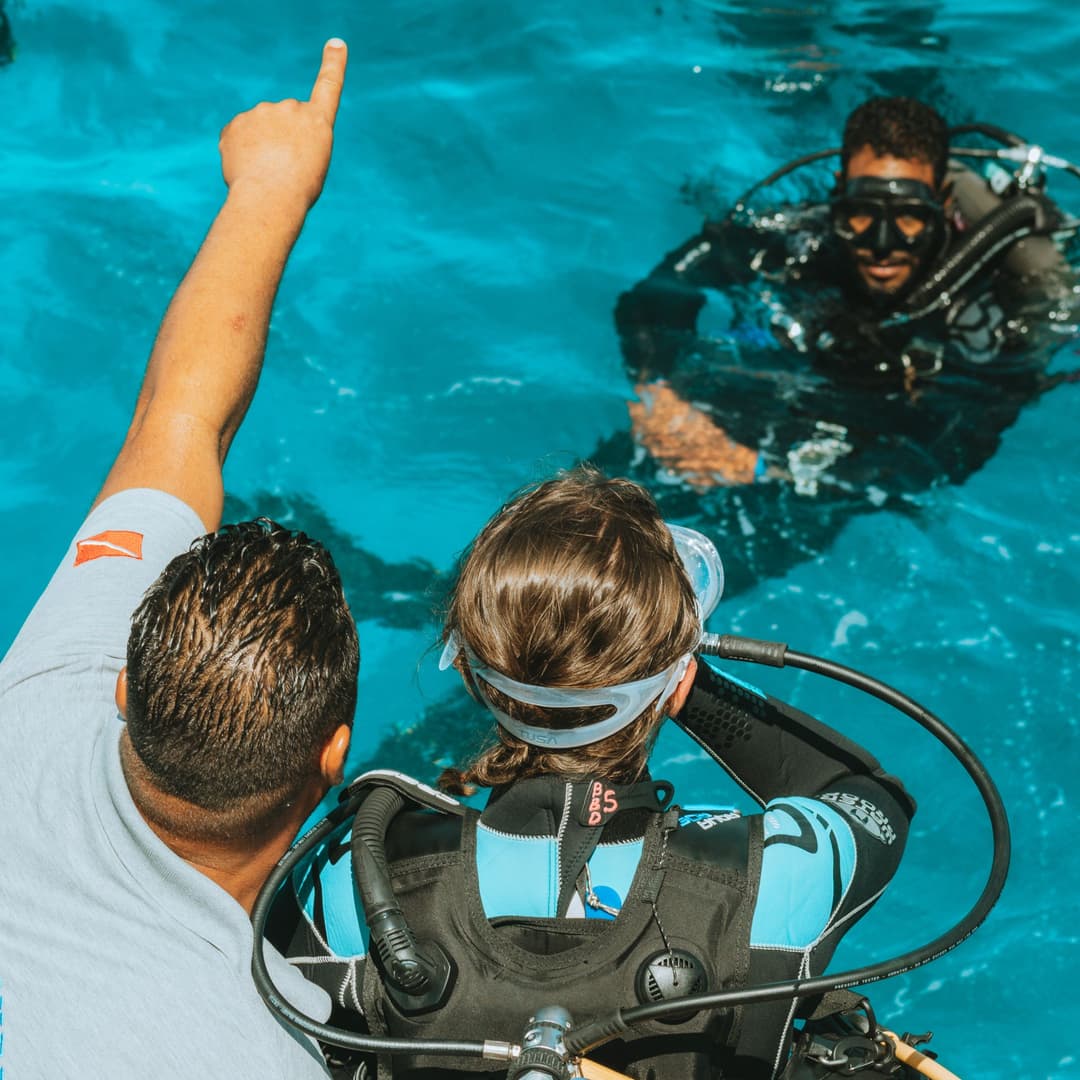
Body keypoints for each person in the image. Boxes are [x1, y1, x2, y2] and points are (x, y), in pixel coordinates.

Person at [274, 467, 915, 1080]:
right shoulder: (772, 877)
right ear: (675, 682)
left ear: (469, 675)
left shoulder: (352, 871)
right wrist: (686, 682)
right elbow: (867, 796)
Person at [0, 41, 355, 1078]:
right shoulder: (266, 1046)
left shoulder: (41, 698)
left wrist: (268, 186)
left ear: (123, 686)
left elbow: (177, 422)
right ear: (330, 758)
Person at [604, 97, 1077, 591]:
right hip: (778, 396)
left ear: (945, 201)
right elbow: (654, 299)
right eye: (861, 215)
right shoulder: (806, 240)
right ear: (837, 196)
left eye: (909, 218)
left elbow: (948, 456)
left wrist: (769, 468)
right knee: (580, 518)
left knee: (676, 595)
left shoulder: (985, 309)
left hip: (864, 441)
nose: (881, 243)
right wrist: (656, 389)